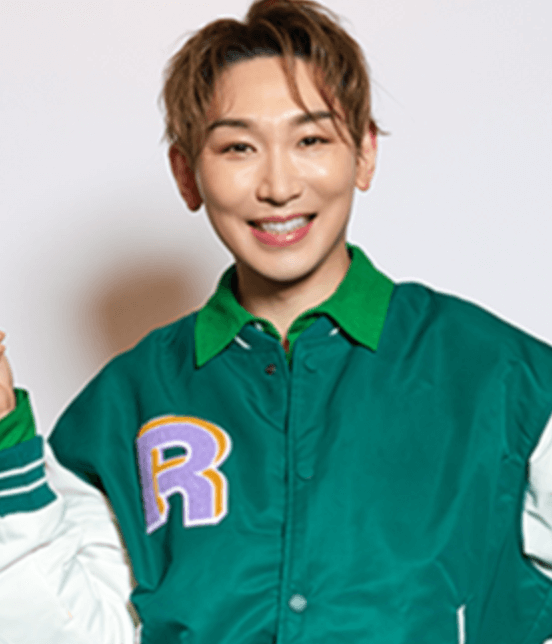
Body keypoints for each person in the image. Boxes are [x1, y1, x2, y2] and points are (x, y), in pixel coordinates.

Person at [1, 0, 552, 642]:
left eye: (311, 139)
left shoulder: (505, 377)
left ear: (364, 152)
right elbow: (61, 630)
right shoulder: (124, 406)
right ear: (187, 175)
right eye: (238, 147)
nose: (279, 185)